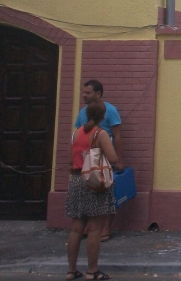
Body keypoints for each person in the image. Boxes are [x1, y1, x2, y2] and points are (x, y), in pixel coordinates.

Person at [67, 101, 117, 280]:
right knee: (95, 229)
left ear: (86, 114)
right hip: (94, 182)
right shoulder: (99, 133)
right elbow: (112, 157)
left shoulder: (75, 134)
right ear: (103, 117)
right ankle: (92, 270)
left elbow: (70, 159)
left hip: (76, 181)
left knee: (76, 229)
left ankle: (71, 270)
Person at [74, 80, 124, 242]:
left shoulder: (110, 110)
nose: (84, 95)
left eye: (87, 92)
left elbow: (117, 136)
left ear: (98, 93)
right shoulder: (82, 112)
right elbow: (78, 136)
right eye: (83, 92)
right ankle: (89, 227)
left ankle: (105, 228)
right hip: (86, 161)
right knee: (89, 194)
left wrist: (119, 160)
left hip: (104, 159)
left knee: (107, 193)